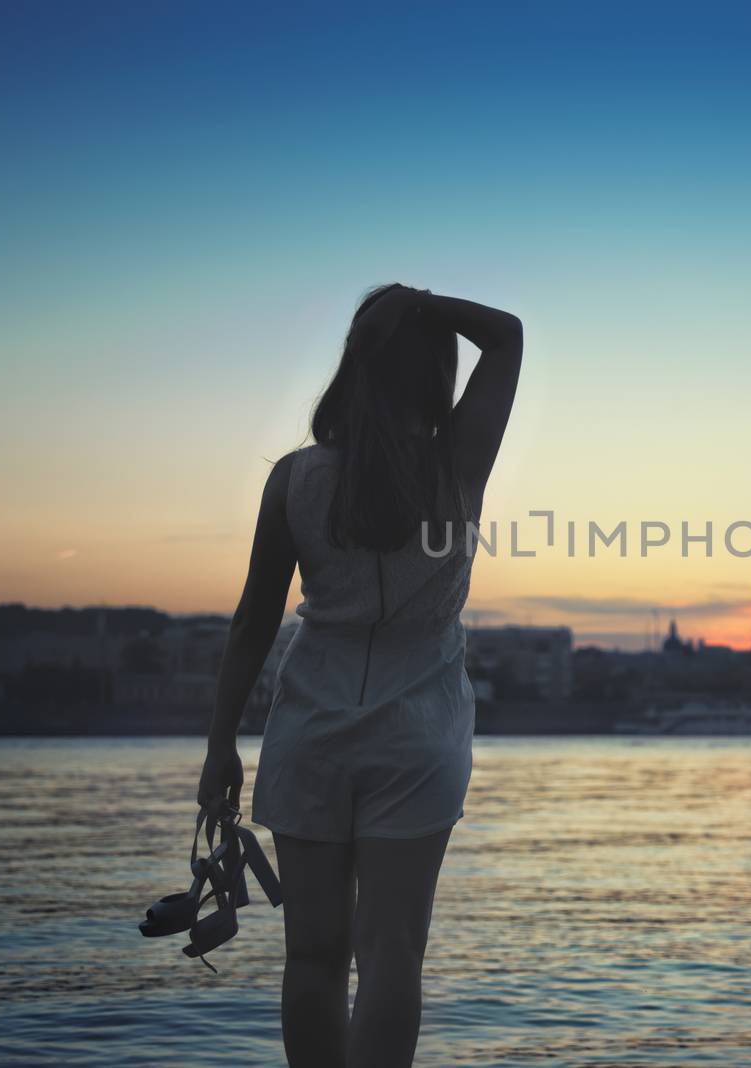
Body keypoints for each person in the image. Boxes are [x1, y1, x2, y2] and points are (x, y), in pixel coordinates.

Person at [197, 283, 522, 1067]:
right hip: (420, 735)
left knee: (311, 955)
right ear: (434, 372)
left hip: (310, 728)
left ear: (356, 363)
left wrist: (219, 748)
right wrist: (424, 304)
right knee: (391, 956)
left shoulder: (295, 480)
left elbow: (252, 622)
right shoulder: (457, 464)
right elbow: (506, 335)